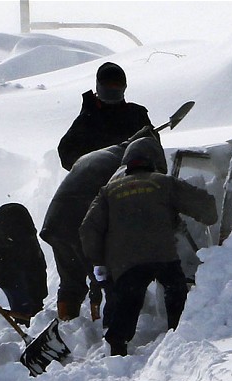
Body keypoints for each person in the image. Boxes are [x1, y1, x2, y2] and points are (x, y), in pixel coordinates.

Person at [79, 137, 218, 356]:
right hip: (163, 256)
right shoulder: (164, 182)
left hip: (126, 262)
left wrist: (99, 261)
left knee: (128, 302)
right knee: (176, 293)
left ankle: (117, 348)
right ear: (154, 161)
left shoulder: (108, 191)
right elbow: (206, 208)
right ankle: (179, 337)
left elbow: (88, 229)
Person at [41, 127, 166, 323]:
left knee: (70, 281)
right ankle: (101, 324)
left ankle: (65, 324)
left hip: (55, 223)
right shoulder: (123, 168)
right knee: (103, 277)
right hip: (80, 223)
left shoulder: (99, 155)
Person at [57, 61, 152, 171]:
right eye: (108, 84)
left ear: (123, 86)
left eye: (116, 84)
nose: (113, 88)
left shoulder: (136, 114)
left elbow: (153, 148)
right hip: (100, 182)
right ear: (99, 86)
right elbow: (66, 153)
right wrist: (90, 166)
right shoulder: (88, 119)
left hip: (135, 178)